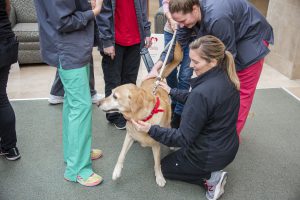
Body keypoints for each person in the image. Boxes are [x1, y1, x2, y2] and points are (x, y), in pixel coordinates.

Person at [133, 35, 240, 200]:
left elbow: (182, 138)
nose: (191, 65)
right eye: (191, 60)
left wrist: (150, 129)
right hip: (228, 147)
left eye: (196, 62)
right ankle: (209, 168)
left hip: (207, 155)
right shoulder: (228, 79)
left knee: (164, 167)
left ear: (212, 62)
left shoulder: (201, 93)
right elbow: (203, 102)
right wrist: (171, 91)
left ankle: (211, 179)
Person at [148, 0, 274, 138]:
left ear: (195, 9)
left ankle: (227, 140)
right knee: (215, 85)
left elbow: (228, 57)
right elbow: (176, 46)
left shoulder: (218, 17)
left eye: (183, 21)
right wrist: (156, 67)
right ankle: (214, 128)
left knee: (239, 91)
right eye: (180, 22)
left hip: (251, 40)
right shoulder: (186, 17)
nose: (182, 25)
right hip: (230, 33)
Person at [34, 0, 104, 186]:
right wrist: (93, 11)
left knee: (73, 104)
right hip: (69, 48)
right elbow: (64, 21)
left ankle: (76, 153)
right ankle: (78, 170)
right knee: (80, 106)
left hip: (72, 47)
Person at [95, 0, 151, 130]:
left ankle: (127, 113)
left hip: (136, 39)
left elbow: (143, 10)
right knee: (113, 80)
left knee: (130, 81)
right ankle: (114, 116)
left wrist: (146, 31)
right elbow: (102, 14)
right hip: (115, 41)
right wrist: (107, 41)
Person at [162, 0, 192, 129]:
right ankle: (174, 103)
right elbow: (165, 3)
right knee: (170, 72)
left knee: (185, 75)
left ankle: (179, 114)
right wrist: (172, 20)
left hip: (193, 34)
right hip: (171, 30)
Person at [0, 0, 21, 161]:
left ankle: (8, 146)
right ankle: (10, 147)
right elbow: (7, 7)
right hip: (6, 42)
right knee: (1, 98)